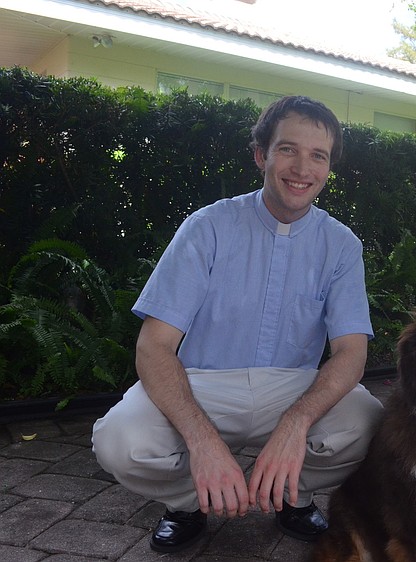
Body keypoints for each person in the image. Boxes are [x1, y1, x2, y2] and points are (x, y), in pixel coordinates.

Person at [92, 95, 383, 553]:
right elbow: (154, 345)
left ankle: (292, 494)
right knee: (119, 440)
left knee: (368, 424)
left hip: (291, 386)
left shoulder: (341, 246)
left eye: (318, 155)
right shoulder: (206, 228)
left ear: (328, 169)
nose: (302, 167)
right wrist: (203, 443)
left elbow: (351, 352)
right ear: (260, 155)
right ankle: (192, 502)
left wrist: (295, 424)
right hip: (203, 384)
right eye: (288, 149)